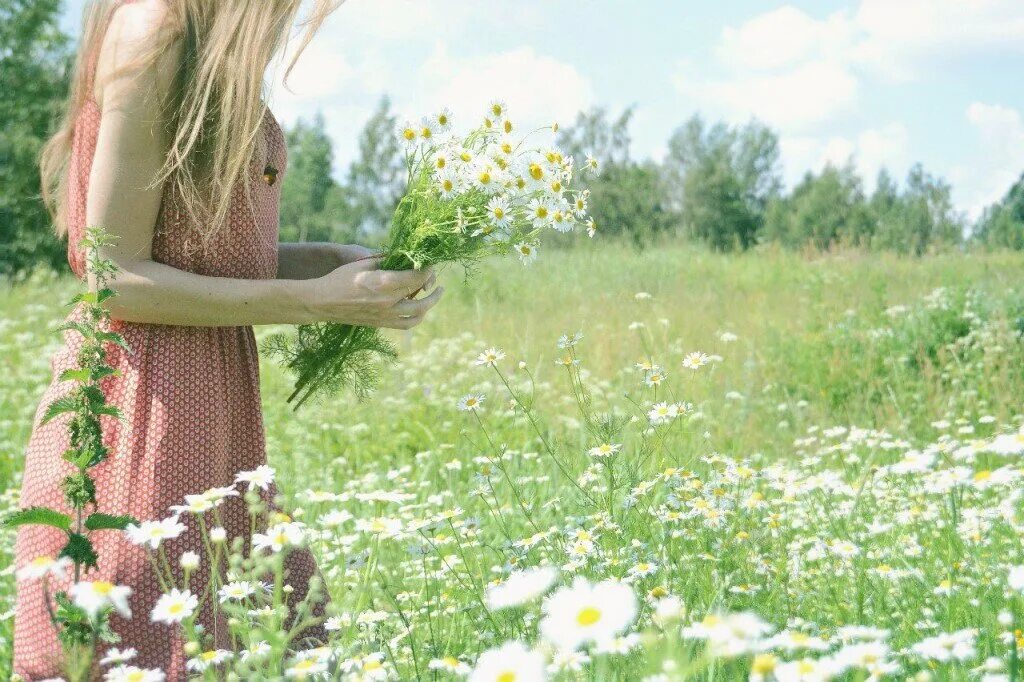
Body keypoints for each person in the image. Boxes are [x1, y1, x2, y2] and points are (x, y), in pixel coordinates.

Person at [13, 0, 443, 677]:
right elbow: (114, 277)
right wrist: (311, 301)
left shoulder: (206, 40)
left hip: (210, 407)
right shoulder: (155, 30)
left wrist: (335, 262)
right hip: (143, 412)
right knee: (155, 650)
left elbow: (199, 251)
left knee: (273, 641)